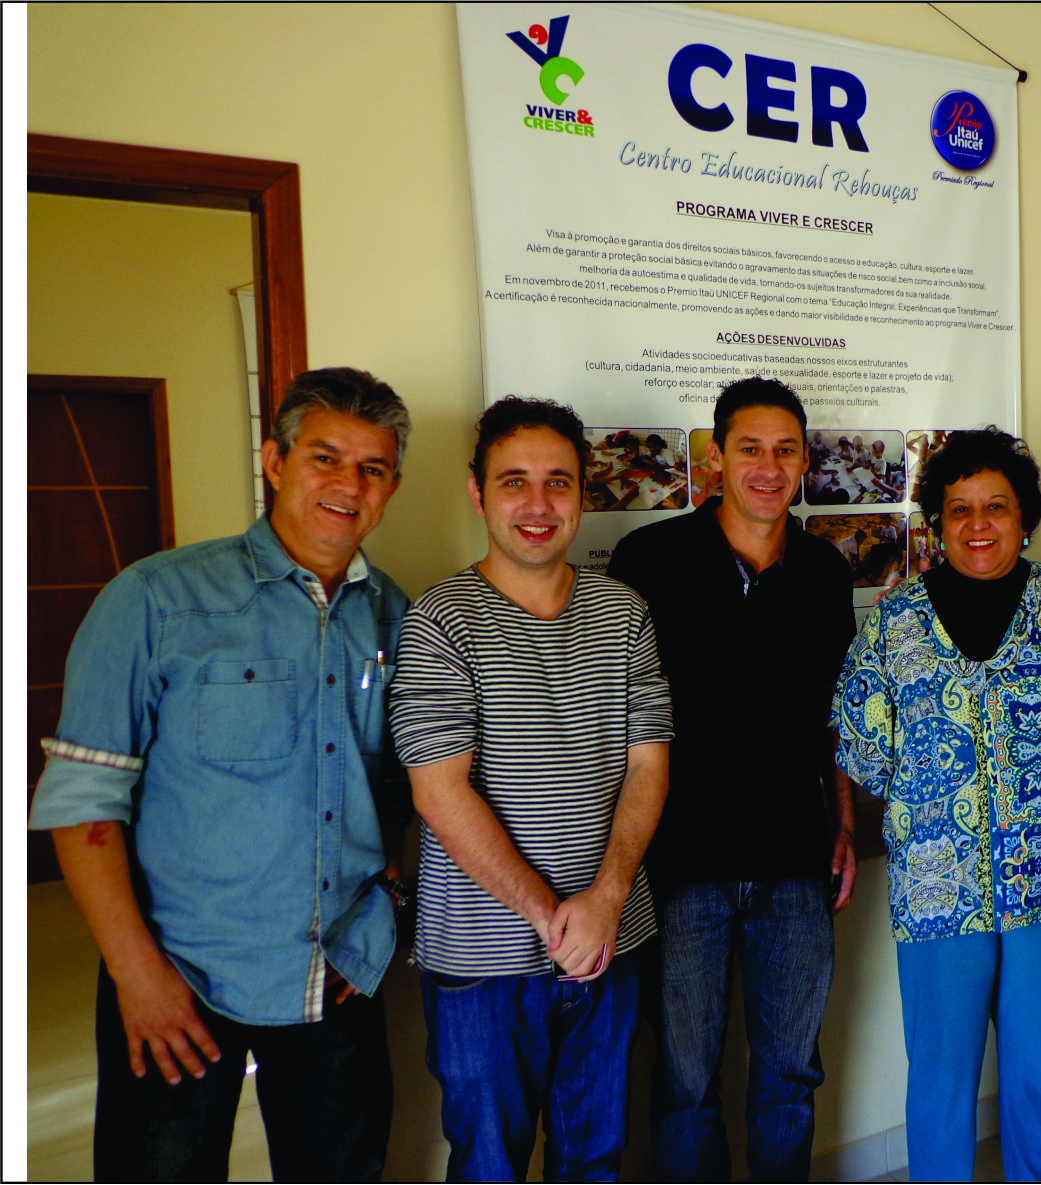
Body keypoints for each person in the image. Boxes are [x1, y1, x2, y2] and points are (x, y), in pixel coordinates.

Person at [28, 367, 412, 1181]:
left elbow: (415, 785)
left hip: (336, 976)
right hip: (178, 980)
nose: (348, 485)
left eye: (372, 467)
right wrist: (139, 977)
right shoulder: (156, 598)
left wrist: (390, 902)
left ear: (392, 486)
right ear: (274, 460)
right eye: (325, 457)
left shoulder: (396, 616)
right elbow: (82, 803)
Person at [832, 427, 1041, 1182]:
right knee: (940, 1078)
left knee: (1035, 1076)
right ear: (936, 519)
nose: (977, 523)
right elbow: (863, 751)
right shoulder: (895, 623)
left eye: (995, 505)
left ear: (1023, 514)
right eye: (959, 507)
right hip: (936, 888)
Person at [389, 396, 672, 1181]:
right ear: (478, 493)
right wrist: (555, 918)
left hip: (612, 942)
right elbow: (439, 792)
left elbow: (649, 764)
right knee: (489, 1164)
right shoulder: (440, 620)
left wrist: (606, 898)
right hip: (483, 964)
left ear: (584, 494)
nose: (538, 504)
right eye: (514, 481)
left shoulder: (623, 613)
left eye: (559, 482)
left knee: (597, 1159)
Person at [607, 376, 858, 1182]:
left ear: (804, 461)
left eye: (785, 449)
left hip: (794, 858)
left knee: (788, 1076)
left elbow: (833, 716)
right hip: (682, 865)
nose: (767, 465)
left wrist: (844, 825)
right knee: (686, 1085)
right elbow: (620, 717)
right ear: (715, 456)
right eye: (749, 447)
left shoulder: (823, 569)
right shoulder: (650, 560)